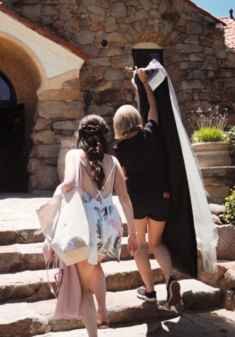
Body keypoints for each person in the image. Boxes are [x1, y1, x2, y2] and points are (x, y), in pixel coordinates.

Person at [60, 114, 139, 337]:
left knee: (85, 288)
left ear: (80, 134)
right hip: (111, 227)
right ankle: (103, 309)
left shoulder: (74, 155)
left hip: (86, 226)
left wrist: (60, 195)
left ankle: (93, 333)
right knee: (96, 265)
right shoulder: (112, 161)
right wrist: (133, 233)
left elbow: (67, 184)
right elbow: (124, 198)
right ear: (104, 135)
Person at [113, 68, 181, 306]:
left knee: (140, 244)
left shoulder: (119, 150)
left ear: (119, 124)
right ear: (136, 120)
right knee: (156, 242)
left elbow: (123, 177)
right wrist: (144, 83)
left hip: (137, 200)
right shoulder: (151, 133)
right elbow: (153, 107)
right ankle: (170, 279)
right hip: (162, 196)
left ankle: (150, 292)